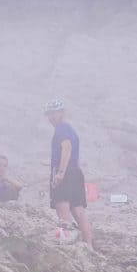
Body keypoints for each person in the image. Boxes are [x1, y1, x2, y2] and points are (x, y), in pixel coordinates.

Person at [44, 99, 93, 245]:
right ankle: (88, 245)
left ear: (62, 113)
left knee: (62, 206)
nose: (52, 117)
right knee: (78, 210)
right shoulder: (71, 129)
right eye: (49, 114)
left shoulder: (61, 128)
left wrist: (60, 173)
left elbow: (67, 148)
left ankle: (68, 243)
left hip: (64, 171)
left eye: (55, 113)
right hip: (76, 172)